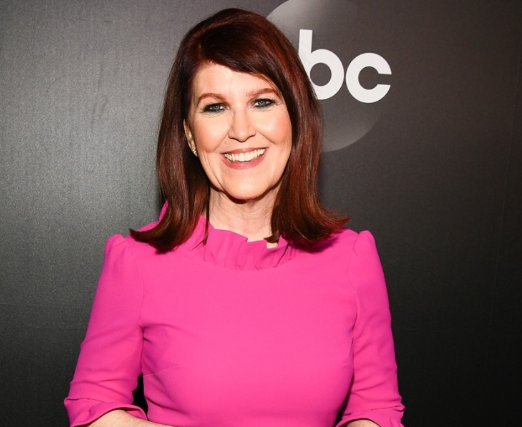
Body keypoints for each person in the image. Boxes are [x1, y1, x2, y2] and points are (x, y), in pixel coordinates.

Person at [65, 8, 404, 427]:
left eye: (262, 102)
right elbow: (95, 405)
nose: (241, 130)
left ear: (295, 118)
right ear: (189, 134)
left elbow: (376, 408)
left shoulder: (351, 259)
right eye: (215, 107)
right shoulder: (137, 262)